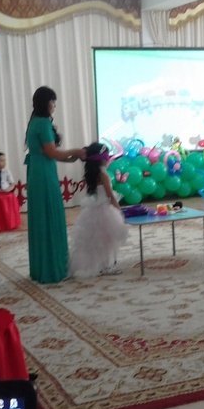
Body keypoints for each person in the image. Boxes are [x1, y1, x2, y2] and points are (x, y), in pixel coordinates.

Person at [24, 86, 86, 284]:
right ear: (45, 102)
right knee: (51, 216)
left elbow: (49, 154)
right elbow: (52, 153)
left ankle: (41, 268)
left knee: (41, 218)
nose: (54, 106)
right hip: (44, 173)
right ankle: (53, 269)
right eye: (52, 101)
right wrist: (76, 151)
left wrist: (70, 157)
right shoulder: (43, 123)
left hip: (38, 170)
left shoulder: (34, 121)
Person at [68, 143, 128, 277]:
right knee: (107, 239)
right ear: (103, 159)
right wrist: (119, 210)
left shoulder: (92, 174)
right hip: (105, 211)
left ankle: (101, 265)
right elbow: (110, 195)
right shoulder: (103, 174)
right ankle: (106, 265)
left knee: (95, 240)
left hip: (92, 210)